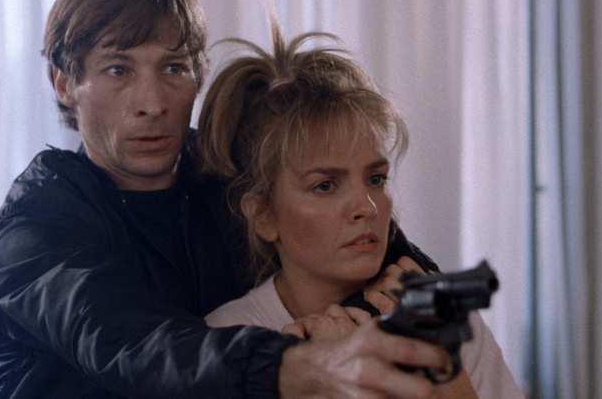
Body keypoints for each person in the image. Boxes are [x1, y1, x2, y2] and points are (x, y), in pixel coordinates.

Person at [0, 0, 457, 398]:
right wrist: (299, 364)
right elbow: (132, 344)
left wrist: (389, 298)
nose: (153, 103)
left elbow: (379, 249)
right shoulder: (33, 228)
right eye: (118, 70)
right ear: (64, 83)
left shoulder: (226, 172)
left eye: (174, 67)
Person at [199, 25, 524, 399]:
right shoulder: (226, 346)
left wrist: (445, 377)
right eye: (326, 185)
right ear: (263, 216)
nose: (367, 207)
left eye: (376, 178)